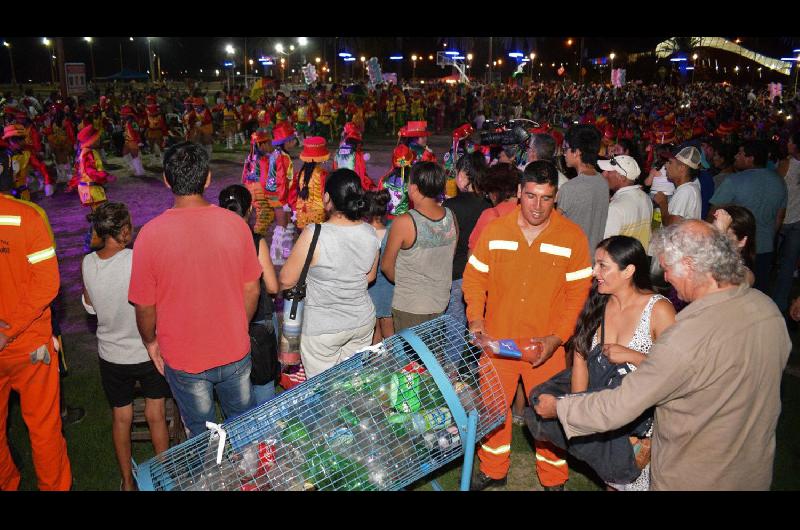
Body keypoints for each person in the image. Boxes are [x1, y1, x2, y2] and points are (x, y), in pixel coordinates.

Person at [534, 220, 791, 490]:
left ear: (690, 266)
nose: (665, 278)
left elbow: (623, 404)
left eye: (667, 268)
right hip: (753, 471)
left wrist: (560, 408)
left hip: (696, 475)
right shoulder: (767, 311)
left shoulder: (688, 335)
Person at [462, 160, 592, 491]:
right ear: (520, 192)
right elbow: (474, 279)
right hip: (497, 343)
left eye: (546, 198)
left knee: (547, 416)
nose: (537, 206)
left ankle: (554, 479)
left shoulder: (572, 238)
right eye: (531, 196)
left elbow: (577, 299)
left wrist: (557, 339)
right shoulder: (495, 230)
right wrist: (475, 318)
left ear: (556, 197)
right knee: (492, 411)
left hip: (545, 348)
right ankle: (493, 469)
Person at [129, 142, 262, 439]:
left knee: (201, 436)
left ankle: (208, 480)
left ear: (166, 179)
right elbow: (252, 288)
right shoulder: (236, 225)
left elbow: (144, 306)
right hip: (233, 348)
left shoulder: (149, 235)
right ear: (208, 178)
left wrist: (150, 342)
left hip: (183, 356)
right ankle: (249, 478)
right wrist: (239, 324)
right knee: (243, 429)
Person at [564, 236, 675, 490]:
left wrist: (632, 355)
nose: (594, 272)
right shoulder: (598, 302)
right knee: (612, 482)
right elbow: (580, 358)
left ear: (629, 271)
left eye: (603, 266)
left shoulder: (659, 311)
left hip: (644, 425)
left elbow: (678, 373)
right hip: (607, 417)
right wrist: (579, 412)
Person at [80, 202, 170, 491]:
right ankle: (165, 477)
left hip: (112, 356)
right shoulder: (137, 259)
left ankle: (128, 483)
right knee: (156, 414)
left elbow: (90, 308)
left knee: (122, 417)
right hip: (147, 351)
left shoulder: (87, 263)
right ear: (124, 231)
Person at [0, 171, 72, 490]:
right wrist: (10, 328)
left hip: (22, 342)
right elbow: (48, 282)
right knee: (44, 428)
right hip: (29, 345)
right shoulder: (25, 216)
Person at [279, 169, 379, 379]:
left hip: (322, 329)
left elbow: (287, 279)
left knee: (325, 391)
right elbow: (369, 277)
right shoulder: (370, 232)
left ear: (327, 198)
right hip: (361, 323)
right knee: (353, 382)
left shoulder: (314, 233)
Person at [218, 185, 280, 405]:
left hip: (226, 318)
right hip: (259, 318)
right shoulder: (255, 241)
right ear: (249, 211)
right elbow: (272, 287)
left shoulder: (212, 242)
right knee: (263, 382)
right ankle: (265, 434)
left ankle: (240, 433)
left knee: (234, 383)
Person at [382, 162, 457, 332]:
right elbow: (448, 256)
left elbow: (386, 266)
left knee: (412, 357)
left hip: (411, 305)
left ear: (413, 188)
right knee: (433, 354)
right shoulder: (451, 216)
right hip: (440, 301)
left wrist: (410, 283)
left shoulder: (404, 222)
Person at [709, 140, 788, 293]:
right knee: (758, 293)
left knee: (731, 293)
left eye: (740, 153)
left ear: (750, 158)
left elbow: (714, 212)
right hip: (765, 247)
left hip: (737, 249)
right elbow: (780, 217)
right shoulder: (779, 182)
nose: (736, 157)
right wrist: (769, 237)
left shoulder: (734, 180)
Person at [442, 151, 490, 325]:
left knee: (453, 331)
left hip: (456, 274)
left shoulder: (450, 206)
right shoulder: (489, 206)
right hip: (482, 274)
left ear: (463, 175)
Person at [558, 124, 609, 255]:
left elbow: (556, 228)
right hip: (592, 258)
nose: (564, 154)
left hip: (573, 260)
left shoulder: (569, 188)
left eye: (566, 149)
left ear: (577, 152)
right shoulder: (602, 182)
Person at [772, 131, 800, 314]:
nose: (787, 144)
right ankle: (780, 303)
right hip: (798, 220)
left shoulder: (786, 164)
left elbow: (774, 190)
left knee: (770, 261)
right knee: (788, 266)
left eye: (789, 141)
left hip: (781, 220)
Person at [599, 155, 653, 249]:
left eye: (608, 171)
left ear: (622, 177)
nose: (603, 174)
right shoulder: (645, 198)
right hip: (639, 259)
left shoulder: (615, 208)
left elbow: (606, 245)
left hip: (620, 261)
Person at [468, 163, 520, 251]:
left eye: (488, 194)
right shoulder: (528, 211)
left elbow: (473, 253)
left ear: (494, 194)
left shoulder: (491, 215)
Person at [365, 189, 395, 344]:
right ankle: (398, 365)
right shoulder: (392, 232)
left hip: (370, 288)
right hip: (390, 287)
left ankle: (374, 366)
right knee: (391, 333)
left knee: (374, 333)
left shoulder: (364, 234)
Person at [267, 122, 298, 266]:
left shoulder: (279, 154)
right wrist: (284, 201)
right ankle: (276, 255)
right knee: (281, 225)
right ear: (285, 142)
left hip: (281, 195)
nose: (294, 143)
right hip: (279, 196)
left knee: (287, 223)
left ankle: (285, 250)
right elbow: (280, 180)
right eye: (291, 140)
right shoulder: (281, 157)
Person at [652, 146, 702, 227]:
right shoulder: (687, 188)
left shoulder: (686, 191)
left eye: (670, 162)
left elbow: (672, 226)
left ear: (682, 168)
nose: (665, 166)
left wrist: (663, 203)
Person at [2, 124, 53, 201]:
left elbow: (40, 166)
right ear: (9, 140)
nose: (20, 142)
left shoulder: (26, 154)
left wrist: (47, 182)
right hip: (6, 197)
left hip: (23, 195)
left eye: (21, 139)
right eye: (16, 139)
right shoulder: (3, 157)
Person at [711, 205, 757, 287]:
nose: (714, 239)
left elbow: (724, 282)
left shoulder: (746, 275)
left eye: (725, 235)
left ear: (742, 241)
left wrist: (721, 232)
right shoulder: (704, 258)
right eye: (713, 232)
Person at [241, 129, 275, 236]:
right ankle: (256, 240)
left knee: (261, 215)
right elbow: (266, 177)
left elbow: (244, 176)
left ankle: (254, 237)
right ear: (262, 144)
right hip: (258, 189)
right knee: (265, 216)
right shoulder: (263, 159)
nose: (271, 145)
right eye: (269, 143)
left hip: (250, 188)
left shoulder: (251, 157)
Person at [292, 136, 330, 230]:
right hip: (318, 216)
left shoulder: (299, 174)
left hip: (301, 215)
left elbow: (293, 195)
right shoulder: (323, 174)